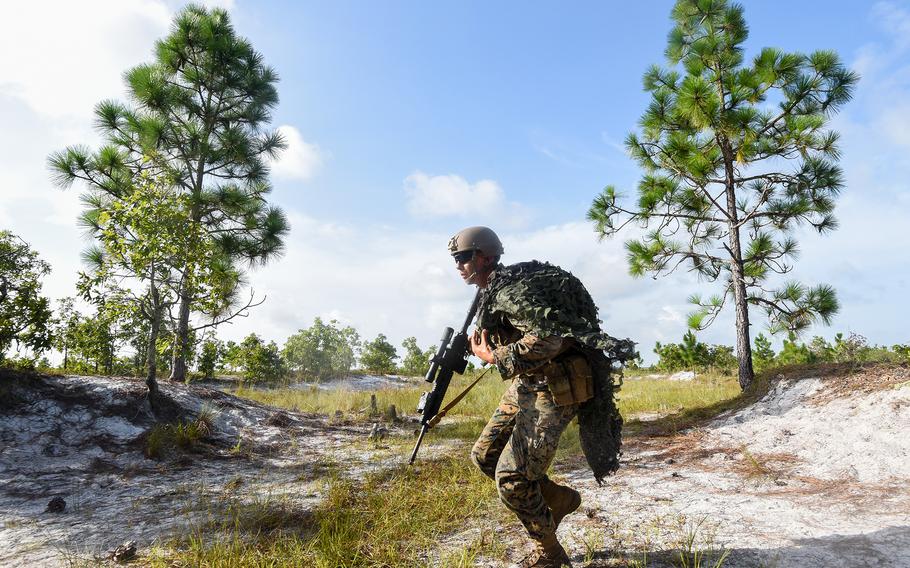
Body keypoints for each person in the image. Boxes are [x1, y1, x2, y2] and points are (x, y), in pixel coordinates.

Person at [448, 226, 632, 568]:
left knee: (512, 477)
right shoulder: (495, 289)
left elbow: (549, 339)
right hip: (530, 381)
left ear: (484, 257)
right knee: (485, 457)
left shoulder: (513, 292)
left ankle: (551, 555)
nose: (458, 265)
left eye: (462, 258)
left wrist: (494, 357)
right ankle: (559, 500)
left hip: (557, 385)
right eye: (456, 260)